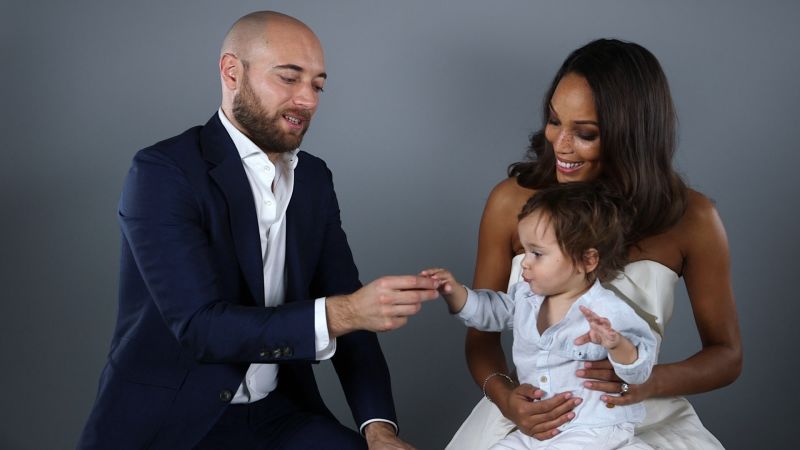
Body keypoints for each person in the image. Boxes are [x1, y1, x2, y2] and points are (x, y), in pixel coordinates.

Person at [77, 11, 439, 450]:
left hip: (278, 414)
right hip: (175, 423)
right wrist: (344, 313)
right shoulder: (163, 172)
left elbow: (351, 308)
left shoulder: (313, 180)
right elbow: (201, 329)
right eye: (289, 78)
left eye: (318, 86)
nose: (307, 100)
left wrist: (379, 428)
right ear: (232, 71)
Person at [446, 39, 742, 449]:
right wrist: (507, 399)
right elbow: (482, 336)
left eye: (585, 133)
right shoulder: (511, 202)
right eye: (554, 121)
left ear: (631, 135)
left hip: (635, 416)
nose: (560, 144)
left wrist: (647, 381)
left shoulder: (693, 218)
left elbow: (727, 354)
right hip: (535, 415)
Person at [426, 183, 657, 449]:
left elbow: (640, 370)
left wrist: (617, 345)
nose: (525, 262)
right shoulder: (527, 297)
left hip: (594, 427)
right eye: (525, 250)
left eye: (537, 253)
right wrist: (454, 292)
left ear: (587, 260)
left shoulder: (607, 311)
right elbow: (489, 311)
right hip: (538, 429)